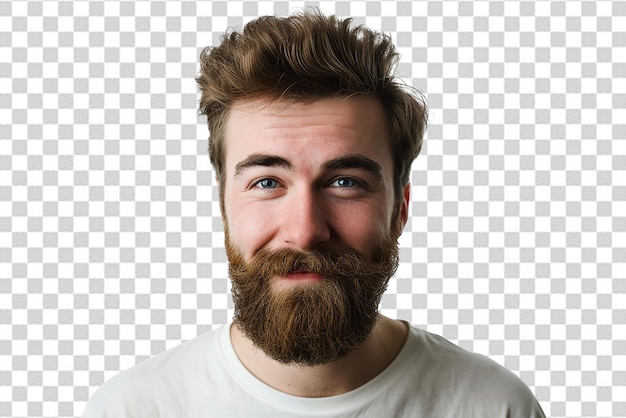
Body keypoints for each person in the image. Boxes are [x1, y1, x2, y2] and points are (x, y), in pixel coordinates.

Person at [83, 10, 545, 418]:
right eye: (266, 183)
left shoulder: (495, 406)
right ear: (224, 204)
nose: (304, 232)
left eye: (345, 182)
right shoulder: (131, 408)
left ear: (400, 209)